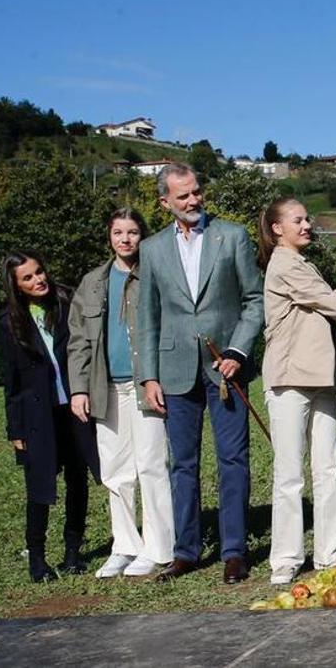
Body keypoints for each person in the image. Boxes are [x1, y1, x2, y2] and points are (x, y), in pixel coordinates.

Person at [137, 163, 264, 584]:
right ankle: (186, 552)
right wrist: (148, 377)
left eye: (196, 192)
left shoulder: (233, 236)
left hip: (224, 369)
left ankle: (233, 552)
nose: (193, 201)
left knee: (233, 460)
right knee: (182, 464)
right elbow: (148, 317)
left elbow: (253, 301)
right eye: (183, 196)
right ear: (164, 202)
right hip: (174, 373)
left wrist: (237, 351)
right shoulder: (152, 249)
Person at [257, 198, 336, 584]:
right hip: (290, 380)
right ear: (278, 229)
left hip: (322, 379)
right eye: (299, 220)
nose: (308, 225)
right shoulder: (285, 264)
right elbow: (335, 305)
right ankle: (287, 559)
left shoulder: (302, 263)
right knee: (290, 474)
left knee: (328, 469)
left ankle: (330, 554)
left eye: (307, 218)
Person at [68, 207, 174, 578]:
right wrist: (79, 389)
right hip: (106, 386)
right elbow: (79, 341)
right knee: (115, 471)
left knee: (151, 465)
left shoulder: (155, 276)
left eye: (132, 232)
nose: (125, 239)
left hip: (146, 384)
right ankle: (125, 546)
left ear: (142, 236)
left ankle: (159, 548)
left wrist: (157, 377)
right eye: (118, 232)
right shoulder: (93, 282)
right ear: (109, 236)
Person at [0, 251, 100, 582]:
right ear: (16, 285)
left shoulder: (67, 304)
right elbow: (12, 381)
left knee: (77, 480)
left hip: (73, 408)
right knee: (39, 487)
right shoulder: (11, 322)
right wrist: (15, 429)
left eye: (39, 272)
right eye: (27, 278)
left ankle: (73, 552)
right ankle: (38, 560)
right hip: (37, 416)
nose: (38, 280)